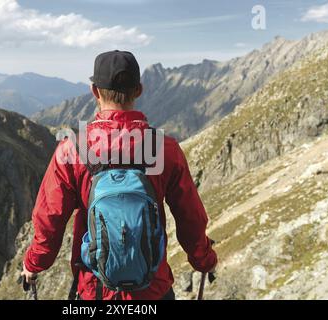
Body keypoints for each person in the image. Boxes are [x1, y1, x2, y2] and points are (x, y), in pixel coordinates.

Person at [21, 50, 217, 300]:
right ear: (139, 90)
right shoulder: (165, 149)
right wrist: (205, 260)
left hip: (95, 289)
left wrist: (33, 264)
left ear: (94, 91)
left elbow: (50, 220)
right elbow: (191, 219)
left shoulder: (73, 149)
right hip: (153, 290)